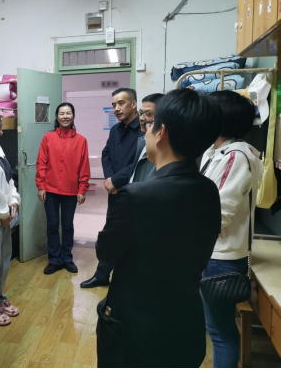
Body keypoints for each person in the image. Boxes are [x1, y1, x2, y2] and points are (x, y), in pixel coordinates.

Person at [96, 88, 223, 368]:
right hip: (186, 324)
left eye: (150, 124)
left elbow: (106, 253)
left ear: (161, 132)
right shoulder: (209, 190)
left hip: (136, 332)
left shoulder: (135, 196)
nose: (146, 130)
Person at [200, 91, 263, 369]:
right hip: (215, 254)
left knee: (220, 333)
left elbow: (218, 214)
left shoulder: (235, 156)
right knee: (217, 329)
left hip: (220, 258)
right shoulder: (219, 152)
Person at [81, 88, 142, 289]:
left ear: (134, 104)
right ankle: (102, 275)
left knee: (134, 236)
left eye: (121, 103)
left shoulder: (143, 130)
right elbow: (106, 153)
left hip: (135, 192)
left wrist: (116, 180)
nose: (116, 108)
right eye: (114, 104)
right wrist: (109, 179)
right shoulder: (115, 129)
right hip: (115, 193)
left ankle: (128, 282)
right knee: (111, 234)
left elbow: (140, 162)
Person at [36, 103, 91, 275]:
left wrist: (82, 189)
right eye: (62, 113)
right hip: (50, 190)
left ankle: (66, 257)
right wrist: (41, 186)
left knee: (67, 225)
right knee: (52, 225)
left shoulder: (81, 140)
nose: (65, 116)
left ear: (73, 116)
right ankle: (54, 259)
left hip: (71, 191)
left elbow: (84, 166)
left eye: (68, 113)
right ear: (57, 117)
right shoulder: (48, 137)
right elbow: (41, 163)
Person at [0, 109, 22, 327]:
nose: (2, 123)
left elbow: (7, 181)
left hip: (5, 215)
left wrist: (14, 200)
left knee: (4, 263)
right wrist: (3, 214)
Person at [130, 93, 165, 184]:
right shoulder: (142, 140)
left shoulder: (162, 146)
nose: (141, 118)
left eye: (148, 114)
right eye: (141, 113)